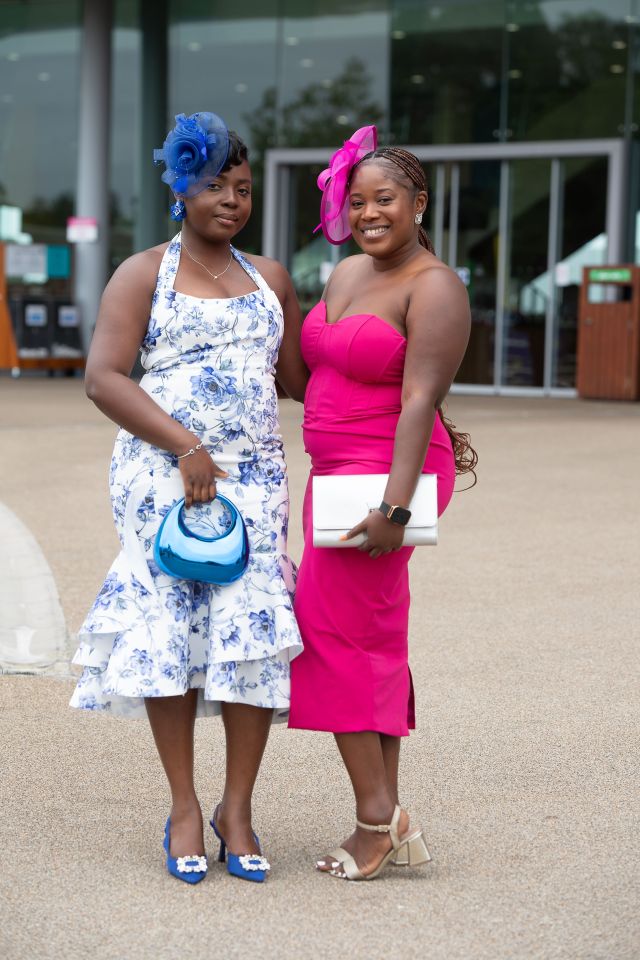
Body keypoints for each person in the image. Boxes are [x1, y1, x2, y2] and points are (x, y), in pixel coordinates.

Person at [69, 112, 308, 884]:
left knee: (249, 631)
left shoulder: (271, 277)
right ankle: (182, 804)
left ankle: (236, 808)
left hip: (256, 477)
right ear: (180, 188)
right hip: (163, 476)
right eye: (214, 185)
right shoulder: (143, 272)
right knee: (169, 630)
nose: (232, 200)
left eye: (242, 189)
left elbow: (300, 380)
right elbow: (103, 377)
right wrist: (185, 446)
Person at [288, 126, 477, 880]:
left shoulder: (435, 286)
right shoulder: (343, 275)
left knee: (331, 632)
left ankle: (379, 820)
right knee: (365, 636)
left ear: (419, 203)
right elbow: (315, 366)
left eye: (386, 199)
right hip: (333, 480)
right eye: (358, 200)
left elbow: (421, 397)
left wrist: (395, 512)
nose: (369, 213)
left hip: (388, 481)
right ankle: (383, 813)